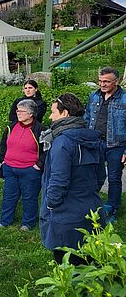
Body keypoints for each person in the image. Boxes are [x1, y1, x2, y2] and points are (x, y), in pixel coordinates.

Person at [40, 93, 106, 265]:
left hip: (66, 214)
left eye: (53, 112)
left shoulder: (62, 142)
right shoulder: (92, 138)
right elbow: (100, 176)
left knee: (67, 265)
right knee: (91, 263)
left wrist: (51, 204)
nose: (49, 116)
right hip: (91, 209)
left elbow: (58, 180)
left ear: (65, 114)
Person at [84, 66, 126, 223]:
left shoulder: (124, 99)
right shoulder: (93, 96)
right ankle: (91, 205)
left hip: (117, 145)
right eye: (100, 81)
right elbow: (87, 117)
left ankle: (112, 208)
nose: (102, 84)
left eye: (106, 81)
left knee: (114, 178)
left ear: (116, 81)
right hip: (95, 143)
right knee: (93, 175)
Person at [0, 99, 46, 231]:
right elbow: (3, 145)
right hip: (10, 168)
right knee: (8, 196)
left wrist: (39, 165)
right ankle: (5, 221)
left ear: (31, 114)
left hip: (30, 170)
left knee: (29, 198)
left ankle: (27, 223)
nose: (18, 113)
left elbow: (47, 149)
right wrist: (3, 159)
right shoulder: (11, 127)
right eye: (17, 110)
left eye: (22, 111)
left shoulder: (41, 129)